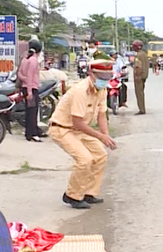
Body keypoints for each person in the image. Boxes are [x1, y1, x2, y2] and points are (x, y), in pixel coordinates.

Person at [49, 59, 117, 209]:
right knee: (85, 159)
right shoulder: (81, 90)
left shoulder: (101, 89)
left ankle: (88, 193)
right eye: (102, 77)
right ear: (92, 74)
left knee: (100, 156)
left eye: (108, 77)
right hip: (63, 128)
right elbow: (77, 122)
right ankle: (72, 196)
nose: (105, 80)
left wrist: (106, 136)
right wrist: (100, 136)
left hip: (79, 130)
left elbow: (101, 115)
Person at [18, 39, 43, 142]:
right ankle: (33, 134)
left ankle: (28, 133)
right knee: (33, 112)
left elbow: (20, 73)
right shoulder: (33, 60)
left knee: (29, 111)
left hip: (25, 87)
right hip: (31, 88)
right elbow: (30, 76)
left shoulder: (25, 59)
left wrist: (24, 80)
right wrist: (29, 92)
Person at [132, 40, 149, 115]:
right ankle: (142, 108)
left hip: (139, 76)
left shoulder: (138, 55)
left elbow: (138, 66)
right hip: (144, 75)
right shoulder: (144, 54)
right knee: (141, 92)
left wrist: (137, 76)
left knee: (139, 93)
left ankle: (142, 109)